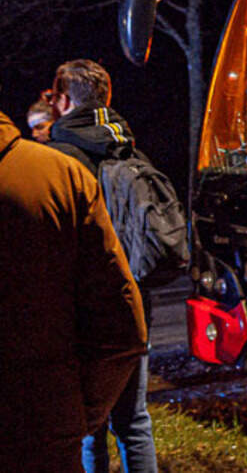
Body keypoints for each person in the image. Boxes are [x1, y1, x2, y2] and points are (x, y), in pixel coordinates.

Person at [0, 105, 147, 472]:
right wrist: (76, 413)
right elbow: (122, 322)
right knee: (132, 423)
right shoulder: (59, 173)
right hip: (42, 424)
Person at [46, 60, 160, 473]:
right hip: (132, 301)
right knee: (133, 420)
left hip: (78, 307)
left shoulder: (57, 159)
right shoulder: (130, 150)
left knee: (85, 422)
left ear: (64, 101)